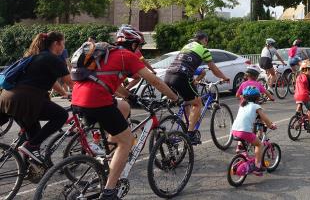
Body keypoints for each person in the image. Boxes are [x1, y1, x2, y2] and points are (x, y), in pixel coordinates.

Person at [71, 26, 179, 200]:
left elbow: (104, 80)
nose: (140, 49)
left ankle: (111, 149)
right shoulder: (127, 56)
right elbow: (154, 80)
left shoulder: (107, 54)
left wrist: (130, 96)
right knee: (127, 141)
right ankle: (109, 191)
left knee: (124, 107)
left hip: (78, 99)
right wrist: (174, 98)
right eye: (139, 46)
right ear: (134, 44)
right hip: (98, 101)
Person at [0, 32, 70, 164]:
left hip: (7, 97)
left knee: (34, 134)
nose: (63, 48)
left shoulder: (35, 56)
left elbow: (54, 82)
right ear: (56, 43)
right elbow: (70, 81)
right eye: (63, 44)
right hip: (25, 101)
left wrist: (64, 94)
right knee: (61, 115)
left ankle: (29, 168)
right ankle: (31, 147)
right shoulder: (53, 59)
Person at [164, 31, 230, 144]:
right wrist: (224, 78)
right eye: (206, 41)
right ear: (204, 40)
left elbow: (186, 64)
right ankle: (190, 134)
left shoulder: (186, 47)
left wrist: (196, 80)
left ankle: (187, 126)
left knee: (187, 101)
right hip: (181, 77)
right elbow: (214, 69)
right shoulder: (203, 49)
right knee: (197, 103)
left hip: (168, 76)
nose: (206, 43)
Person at [231, 86, 276, 175]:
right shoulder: (256, 106)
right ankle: (257, 166)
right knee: (259, 144)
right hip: (244, 131)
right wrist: (270, 125)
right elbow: (265, 119)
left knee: (249, 140)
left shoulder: (242, 105)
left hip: (234, 130)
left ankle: (243, 155)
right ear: (257, 98)